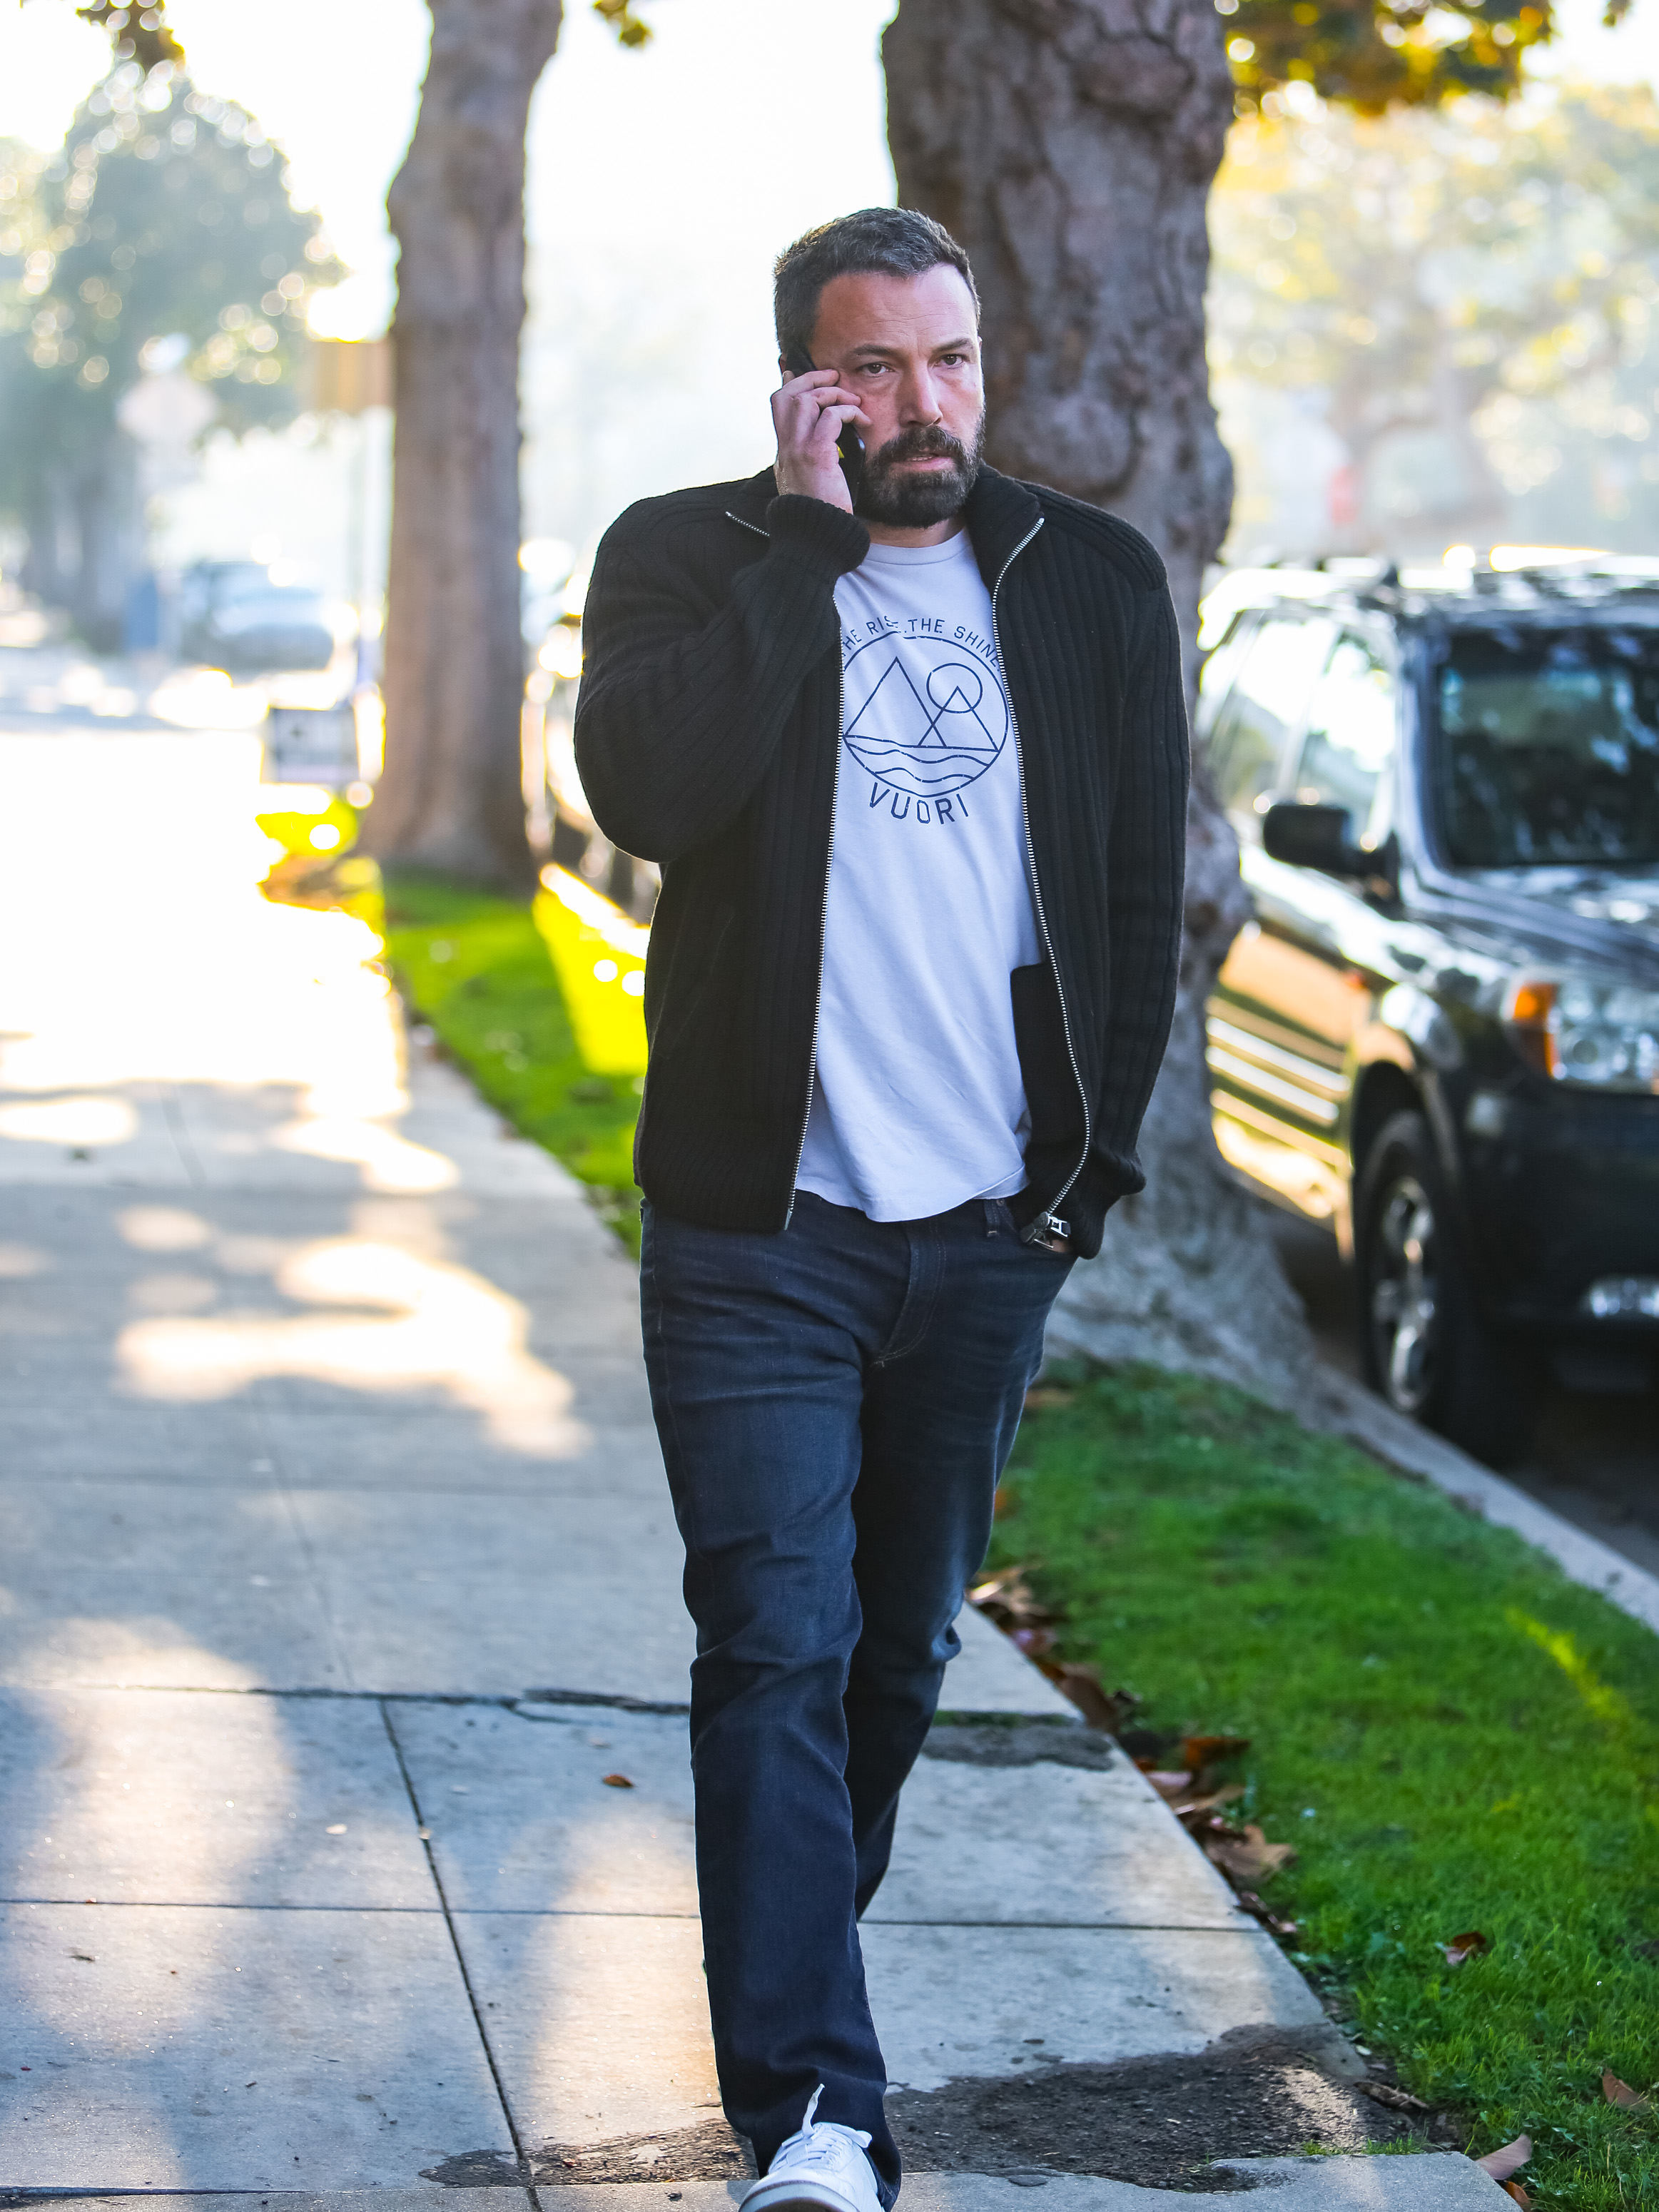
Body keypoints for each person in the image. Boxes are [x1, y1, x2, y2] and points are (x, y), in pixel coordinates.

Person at [573, 208, 1188, 2212]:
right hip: (765, 1224)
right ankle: (820, 2112)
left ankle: (785, 1972)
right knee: (773, 1639)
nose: (927, 404)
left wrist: (1079, 1183)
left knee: (894, 1657)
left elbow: (1128, 906)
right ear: (807, 386)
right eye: (879, 369)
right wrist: (809, 536)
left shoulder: (1088, 582)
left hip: (987, 1231)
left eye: (953, 361)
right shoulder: (688, 557)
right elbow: (653, 791)